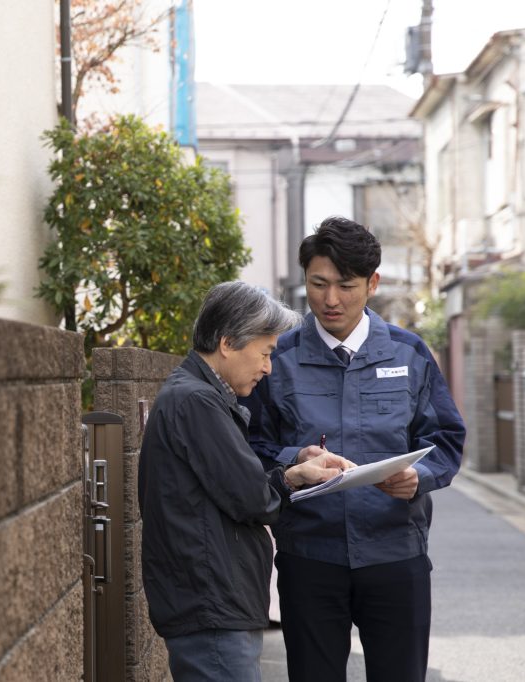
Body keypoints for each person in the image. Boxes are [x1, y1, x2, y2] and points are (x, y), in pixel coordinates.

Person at [241, 216, 466, 682]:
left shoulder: (409, 354)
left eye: (345, 285)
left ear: (373, 283)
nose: (330, 300)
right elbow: (250, 444)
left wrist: (417, 478)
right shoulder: (277, 358)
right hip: (309, 556)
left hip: (395, 553)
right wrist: (293, 460)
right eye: (317, 284)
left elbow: (445, 437)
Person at [139, 280, 352, 682]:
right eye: (265, 353)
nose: (268, 367)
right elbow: (254, 499)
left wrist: (293, 473)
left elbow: (233, 486)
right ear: (227, 343)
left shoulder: (195, 395)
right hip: (212, 604)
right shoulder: (198, 401)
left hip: (209, 601)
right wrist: (291, 481)